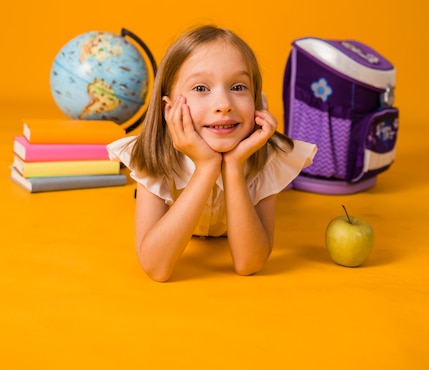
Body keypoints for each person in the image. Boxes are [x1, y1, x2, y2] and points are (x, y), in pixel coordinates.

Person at [108, 25, 316, 282]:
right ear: (169, 109)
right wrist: (206, 167)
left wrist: (234, 166)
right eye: (200, 88)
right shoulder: (152, 156)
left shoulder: (268, 158)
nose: (224, 105)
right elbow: (156, 267)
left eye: (238, 87)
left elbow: (249, 263)